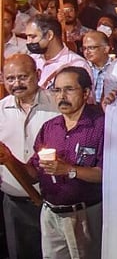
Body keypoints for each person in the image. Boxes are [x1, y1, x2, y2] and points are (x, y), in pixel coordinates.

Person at [1, 67, 103, 259]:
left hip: (84, 215)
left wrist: (69, 170)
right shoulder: (50, 127)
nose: (61, 96)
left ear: (86, 92)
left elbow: (106, 174)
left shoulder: (100, 126)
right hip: (50, 214)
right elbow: (33, 174)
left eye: (69, 89)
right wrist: (9, 159)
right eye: (56, 90)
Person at [0, 54, 60, 259]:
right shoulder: (1, 109)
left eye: (23, 77)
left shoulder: (58, 104)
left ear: (37, 74)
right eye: (10, 79)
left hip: (54, 204)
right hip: (14, 203)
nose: (17, 84)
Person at [24, 14, 93, 90]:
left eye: (33, 37)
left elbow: (87, 99)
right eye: (27, 37)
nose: (28, 42)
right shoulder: (31, 60)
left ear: (49, 35)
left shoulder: (77, 64)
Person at [82, 30, 114, 104]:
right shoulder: (83, 67)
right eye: (84, 48)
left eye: (92, 48)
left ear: (106, 49)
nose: (87, 52)